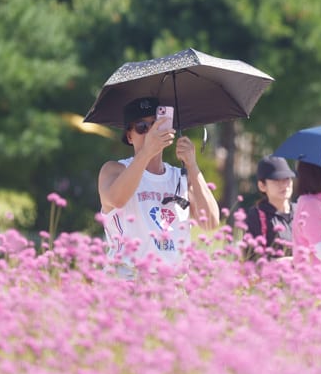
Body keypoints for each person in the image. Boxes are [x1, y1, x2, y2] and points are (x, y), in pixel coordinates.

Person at [97, 97, 220, 276]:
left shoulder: (181, 177)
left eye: (156, 125)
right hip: (128, 281)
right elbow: (117, 199)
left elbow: (210, 222)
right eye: (142, 127)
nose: (150, 133)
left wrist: (192, 165)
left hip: (172, 284)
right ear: (130, 136)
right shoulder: (114, 169)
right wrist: (147, 152)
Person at [241, 155, 296, 261]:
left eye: (287, 179)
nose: (284, 185)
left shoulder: (302, 211)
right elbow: (252, 262)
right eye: (276, 180)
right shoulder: (256, 216)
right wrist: (285, 262)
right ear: (262, 186)